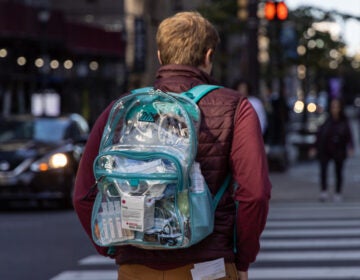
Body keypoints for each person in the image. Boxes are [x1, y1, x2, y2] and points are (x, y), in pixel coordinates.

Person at [73, 11, 271, 280]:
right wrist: (243, 258)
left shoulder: (120, 109)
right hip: (208, 266)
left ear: (159, 56)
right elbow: (254, 194)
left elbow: (83, 194)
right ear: (209, 56)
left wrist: (115, 247)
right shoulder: (236, 107)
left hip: (136, 267)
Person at [312, 97, 354, 202]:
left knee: (338, 171)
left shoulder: (344, 121)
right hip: (325, 148)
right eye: (333, 106)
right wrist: (314, 147)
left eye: (337, 106)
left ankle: (338, 192)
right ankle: (324, 191)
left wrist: (350, 147)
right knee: (323, 170)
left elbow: (349, 135)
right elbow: (319, 134)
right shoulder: (326, 119)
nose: (335, 109)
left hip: (339, 149)